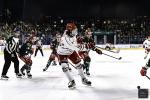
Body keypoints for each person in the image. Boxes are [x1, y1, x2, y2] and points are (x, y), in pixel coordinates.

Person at [57, 23, 102, 88]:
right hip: (62, 53)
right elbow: (77, 48)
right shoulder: (66, 39)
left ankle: (83, 79)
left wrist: (93, 48)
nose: (75, 32)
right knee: (64, 67)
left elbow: (76, 43)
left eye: (75, 30)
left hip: (71, 52)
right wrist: (89, 46)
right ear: (69, 31)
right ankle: (71, 81)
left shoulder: (71, 34)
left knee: (79, 65)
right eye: (74, 30)